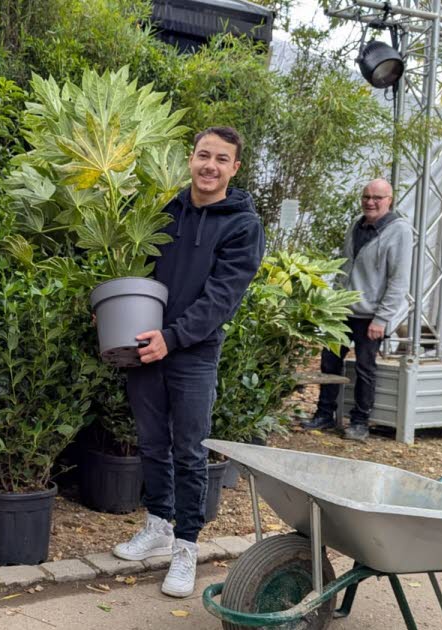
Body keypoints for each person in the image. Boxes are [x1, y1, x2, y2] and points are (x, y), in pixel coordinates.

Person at [111, 127, 265, 598]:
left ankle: (186, 545)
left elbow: (222, 297)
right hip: (144, 342)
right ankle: (158, 523)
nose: (210, 166)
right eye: (203, 155)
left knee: (190, 448)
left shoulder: (242, 225)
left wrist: (173, 338)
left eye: (221, 159)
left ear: (234, 169)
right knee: (152, 442)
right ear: (190, 158)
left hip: (193, 351)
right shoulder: (162, 210)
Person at [302, 179, 412, 441]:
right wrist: (332, 304)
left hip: (372, 315)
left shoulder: (400, 231)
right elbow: (345, 267)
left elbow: (398, 280)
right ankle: (324, 414)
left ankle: (360, 421)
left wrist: (382, 318)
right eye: (366, 197)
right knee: (329, 361)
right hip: (343, 310)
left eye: (377, 197)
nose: (370, 202)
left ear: (390, 200)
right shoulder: (356, 224)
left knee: (365, 367)